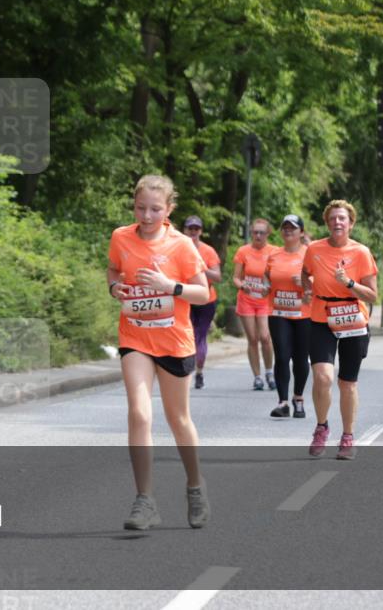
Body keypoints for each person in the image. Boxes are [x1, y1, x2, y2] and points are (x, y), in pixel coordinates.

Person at [108, 175, 211, 530]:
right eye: (140, 208)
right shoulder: (121, 236)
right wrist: (114, 287)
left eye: (155, 209)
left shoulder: (182, 245)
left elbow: (202, 293)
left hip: (173, 342)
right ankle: (145, 500)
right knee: (139, 414)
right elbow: (112, 269)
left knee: (178, 419)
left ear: (168, 209)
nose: (147, 215)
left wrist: (171, 286)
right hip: (135, 337)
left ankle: (195, 487)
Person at [302, 200, 378, 461]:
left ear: (351, 223)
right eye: (333, 218)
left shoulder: (361, 252)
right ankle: (322, 427)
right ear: (327, 222)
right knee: (323, 377)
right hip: (321, 318)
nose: (337, 222)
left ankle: (347, 436)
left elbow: (372, 295)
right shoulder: (314, 249)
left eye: (342, 218)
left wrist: (349, 282)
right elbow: (305, 273)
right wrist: (308, 287)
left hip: (353, 319)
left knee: (347, 383)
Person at [265, 215, 311, 419]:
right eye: (284, 227)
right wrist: (265, 287)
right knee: (282, 356)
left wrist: (306, 283)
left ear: (301, 232)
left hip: (304, 314)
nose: (288, 231)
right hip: (279, 313)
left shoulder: (310, 253)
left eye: (292, 228)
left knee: (300, 358)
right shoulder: (274, 254)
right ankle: (283, 402)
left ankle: (298, 398)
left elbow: (323, 279)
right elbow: (268, 277)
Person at [233, 219, 277, 391]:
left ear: (268, 234)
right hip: (247, 299)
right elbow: (236, 277)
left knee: (265, 337)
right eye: (255, 232)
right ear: (251, 233)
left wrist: (270, 287)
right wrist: (242, 285)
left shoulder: (274, 252)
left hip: (265, 300)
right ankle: (257, 377)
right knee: (252, 339)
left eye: (261, 232)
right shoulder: (243, 251)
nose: (258, 236)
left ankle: (269, 372)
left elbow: (279, 276)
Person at [183, 216, 222, 390]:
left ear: (201, 231)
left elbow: (218, 277)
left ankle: (198, 372)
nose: (193, 232)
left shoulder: (208, 251)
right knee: (187, 334)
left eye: (196, 229)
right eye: (190, 228)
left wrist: (200, 268)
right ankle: (187, 372)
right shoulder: (179, 248)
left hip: (206, 298)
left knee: (200, 335)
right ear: (184, 230)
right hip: (185, 297)